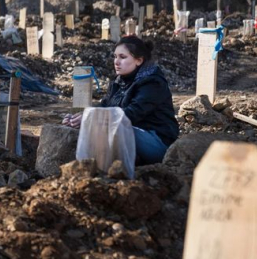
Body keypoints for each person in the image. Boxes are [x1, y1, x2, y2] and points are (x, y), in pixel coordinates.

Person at [63, 35, 179, 164]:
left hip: (157, 141)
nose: (116, 62)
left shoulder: (152, 83)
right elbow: (105, 105)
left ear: (139, 60)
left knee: (111, 127)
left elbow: (133, 113)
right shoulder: (119, 80)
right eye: (115, 56)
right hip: (131, 134)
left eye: (122, 57)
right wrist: (82, 116)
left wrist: (93, 117)